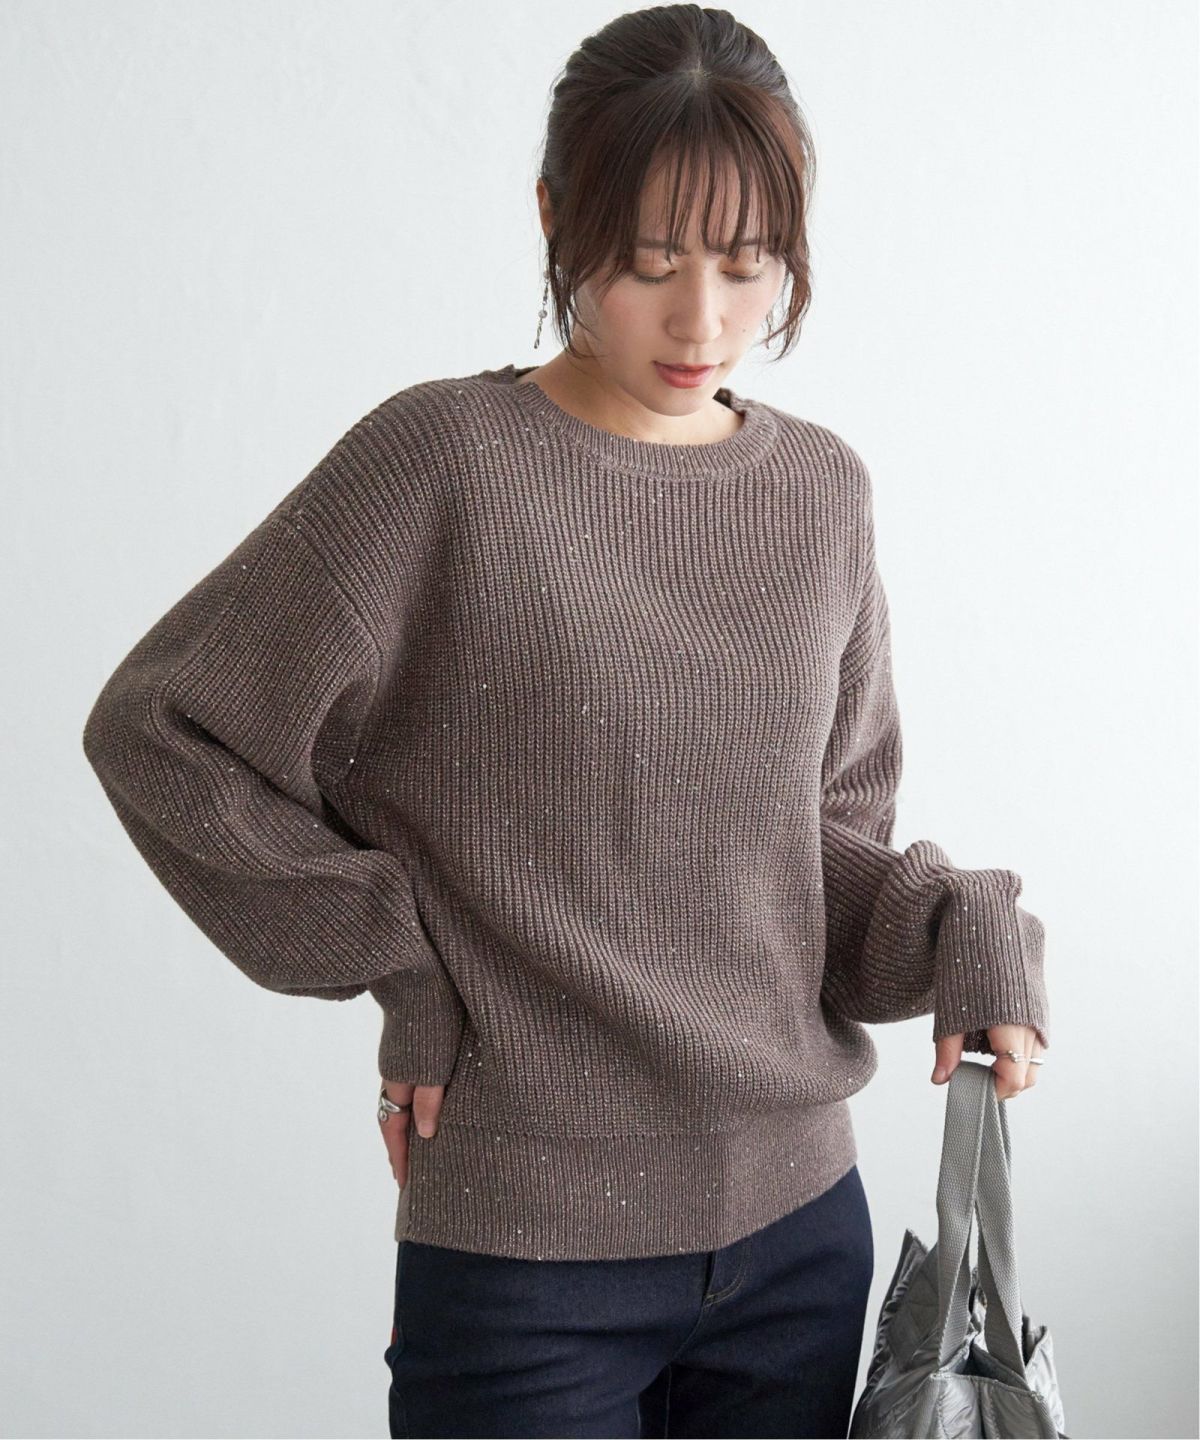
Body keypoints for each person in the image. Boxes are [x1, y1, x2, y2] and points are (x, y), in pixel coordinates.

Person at [81, 5, 1050, 1436]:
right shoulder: (442, 464)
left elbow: (810, 861)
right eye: (651, 263)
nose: (702, 319)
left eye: (747, 263)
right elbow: (166, 731)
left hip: (796, 1235)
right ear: (553, 216)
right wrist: (397, 960)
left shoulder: (821, 493)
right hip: (526, 1258)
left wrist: (965, 933)